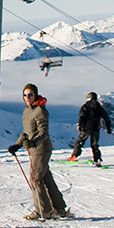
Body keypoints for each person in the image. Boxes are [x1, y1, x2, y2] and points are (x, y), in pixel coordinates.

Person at [9, 84, 70, 220]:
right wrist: (17, 145)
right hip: (34, 149)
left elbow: (44, 132)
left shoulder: (40, 111)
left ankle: (43, 211)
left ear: (35, 95)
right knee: (46, 178)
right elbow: (27, 133)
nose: (27, 97)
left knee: (35, 179)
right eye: (25, 95)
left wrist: (33, 143)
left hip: (41, 149)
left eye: (30, 94)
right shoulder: (27, 111)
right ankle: (59, 208)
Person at [69, 91, 112, 166]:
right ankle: (97, 159)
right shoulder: (99, 107)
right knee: (94, 145)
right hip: (95, 128)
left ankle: (74, 157)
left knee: (80, 142)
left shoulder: (85, 106)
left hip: (86, 128)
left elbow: (82, 116)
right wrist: (108, 128)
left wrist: (80, 125)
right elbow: (106, 118)